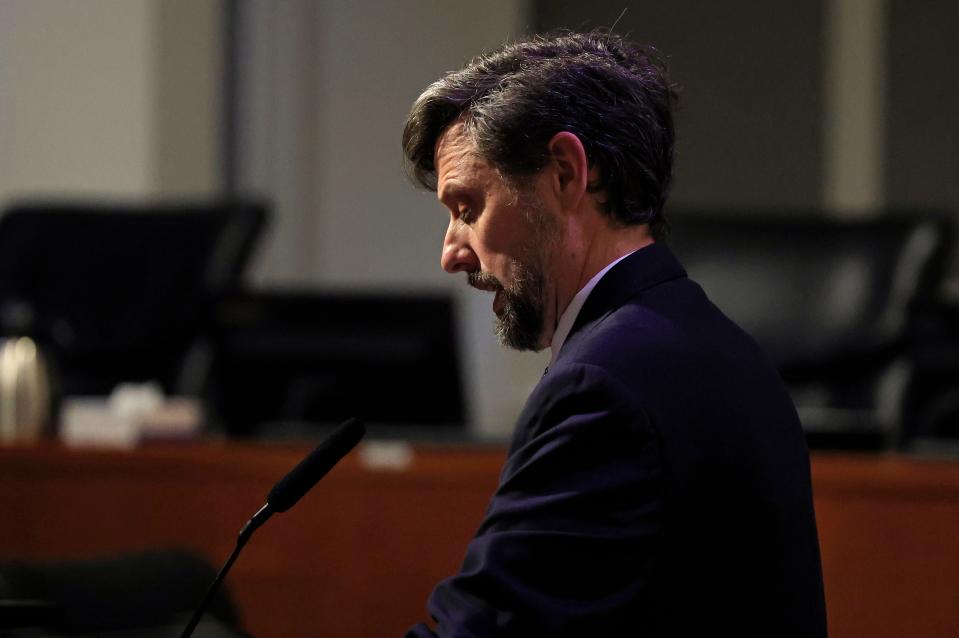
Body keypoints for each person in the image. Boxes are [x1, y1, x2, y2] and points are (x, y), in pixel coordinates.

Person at [401, 31, 827, 637]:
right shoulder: (720, 347)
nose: (451, 252)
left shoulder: (602, 390)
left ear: (566, 173)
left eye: (468, 208)